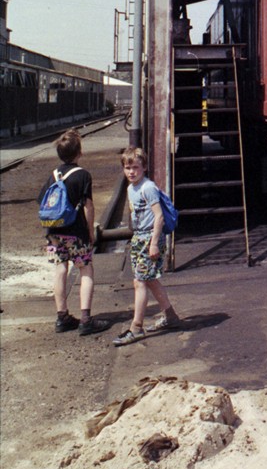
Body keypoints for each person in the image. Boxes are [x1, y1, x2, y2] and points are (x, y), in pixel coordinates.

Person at [114, 147, 182, 344]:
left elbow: (159, 216)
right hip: (139, 238)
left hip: (149, 239)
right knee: (149, 279)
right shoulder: (130, 188)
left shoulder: (147, 187)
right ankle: (171, 317)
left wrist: (153, 244)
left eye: (135, 167)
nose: (131, 172)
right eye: (128, 168)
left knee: (140, 281)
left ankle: (136, 327)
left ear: (144, 167)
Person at [41, 129, 101, 336]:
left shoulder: (53, 175)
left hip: (54, 233)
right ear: (79, 152)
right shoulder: (83, 175)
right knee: (85, 270)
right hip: (76, 232)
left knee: (60, 270)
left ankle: (62, 317)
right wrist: (90, 230)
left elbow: (42, 201)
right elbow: (88, 207)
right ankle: (85, 320)